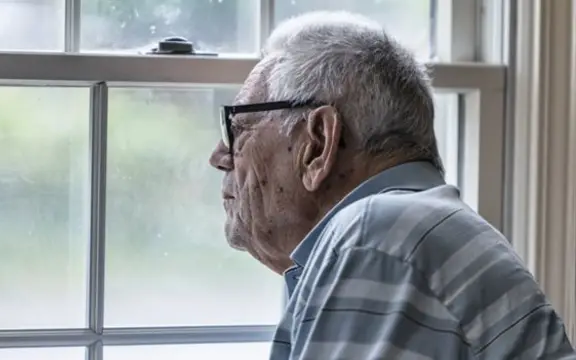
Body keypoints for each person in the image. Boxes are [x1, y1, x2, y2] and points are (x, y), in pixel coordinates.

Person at [208, 11, 576, 360]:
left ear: (317, 143)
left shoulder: (379, 236)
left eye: (239, 128)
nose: (220, 155)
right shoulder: (405, 230)